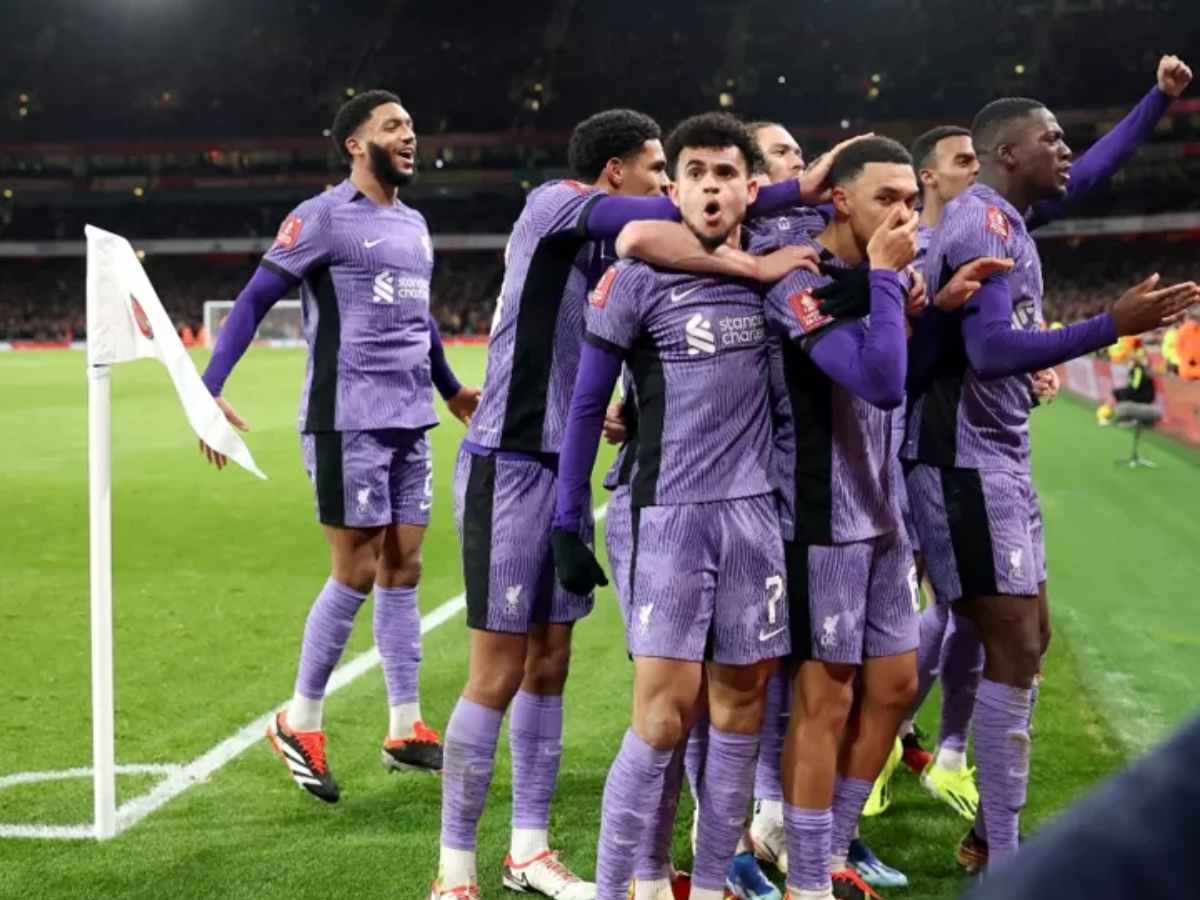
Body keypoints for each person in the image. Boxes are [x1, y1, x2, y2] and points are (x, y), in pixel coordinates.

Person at [903, 70, 1199, 872]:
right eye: (1053, 139)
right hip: (958, 463)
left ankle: (986, 830)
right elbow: (992, 352)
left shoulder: (1012, 215)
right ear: (1007, 152)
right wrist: (1111, 324)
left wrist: (1158, 99)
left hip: (996, 458)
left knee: (1024, 640)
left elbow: (1095, 170)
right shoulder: (984, 227)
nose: (1067, 150)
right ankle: (989, 843)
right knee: (1003, 641)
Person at [198, 90, 479, 803]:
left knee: (403, 564)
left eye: (413, 125)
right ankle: (301, 720)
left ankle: (406, 725)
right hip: (346, 415)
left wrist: (448, 391)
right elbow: (257, 297)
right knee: (353, 569)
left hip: (410, 416)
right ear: (356, 143)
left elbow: (419, 320)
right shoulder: (321, 217)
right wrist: (208, 388)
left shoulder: (414, 224)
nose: (409, 136)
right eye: (393, 126)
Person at [552, 111, 800, 900]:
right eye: (694, 173)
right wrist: (567, 518)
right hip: (667, 517)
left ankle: (703, 875)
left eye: (726, 173)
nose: (710, 187)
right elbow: (590, 405)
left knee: (738, 714)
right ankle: (623, 884)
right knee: (663, 719)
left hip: (755, 517)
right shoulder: (635, 278)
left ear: (749, 187)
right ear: (676, 188)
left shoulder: (779, 271)